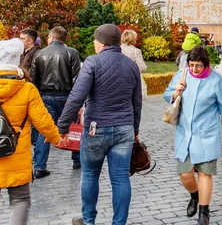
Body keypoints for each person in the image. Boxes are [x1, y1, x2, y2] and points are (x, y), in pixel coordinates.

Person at [57, 24, 142, 225]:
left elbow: (77, 96)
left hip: (96, 129)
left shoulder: (92, 63)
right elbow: (136, 103)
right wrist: (135, 130)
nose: (94, 43)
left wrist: (62, 126)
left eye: (95, 40)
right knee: (121, 178)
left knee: (89, 175)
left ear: (102, 42)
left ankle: (88, 220)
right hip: (124, 129)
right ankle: (119, 222)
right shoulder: (131, 65)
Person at [164, 46, 222, 224]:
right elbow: (167, 95)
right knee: (185, 174)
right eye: (192, 65)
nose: (194, 69)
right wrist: (175, 92)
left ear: (206, 65)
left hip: (207, 134)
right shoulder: (182, 75)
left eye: (198, 66)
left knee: (204, 173)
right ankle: (195, 195)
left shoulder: (216, 80)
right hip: (184, 134)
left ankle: (204, 212)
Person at [0, 38, 61, 225]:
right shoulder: (27, 88)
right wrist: (56, 138)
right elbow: (43, 121)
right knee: (20, 200)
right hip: (16, 154)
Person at [31, 26, 81, 177]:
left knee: (44, 130)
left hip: (46, 96)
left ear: (51, 37)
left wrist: (38, 95)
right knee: (73, 128)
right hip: (67, 96)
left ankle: (39, 165)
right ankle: (77, 160)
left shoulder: (40, 54)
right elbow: (77, 79)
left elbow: (35, 78)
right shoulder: (72, 53)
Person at [120, 29, 148, 100]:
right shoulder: (136, 51)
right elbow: (143, 67)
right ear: (133, 39)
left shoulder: (118, 50)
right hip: (133, 82)